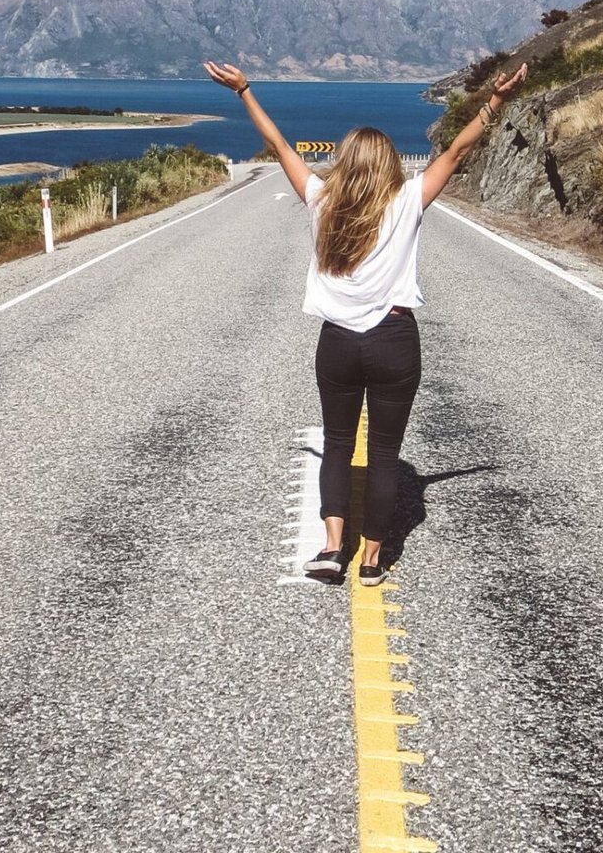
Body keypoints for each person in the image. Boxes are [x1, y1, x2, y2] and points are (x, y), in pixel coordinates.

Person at [203, 58, 528, 583]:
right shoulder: (408, 200)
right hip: (395, 341)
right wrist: (496, 100)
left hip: (337, 345)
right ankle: (373, 558)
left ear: (347, 161)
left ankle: (333, 550)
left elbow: (280, 146)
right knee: (383, 451)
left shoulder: (322, 199)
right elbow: (457, 150)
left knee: (336, 443)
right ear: (390, 164)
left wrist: (244, 92)